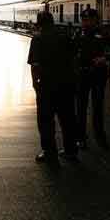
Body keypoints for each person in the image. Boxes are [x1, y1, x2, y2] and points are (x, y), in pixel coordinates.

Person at [28, 11, 78, 164]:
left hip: (46, 85)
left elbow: (35, 64)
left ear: (39, 23)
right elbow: (74, 58)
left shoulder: (37, 39)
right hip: (66, 84)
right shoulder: (65, 36)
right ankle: (70, 150)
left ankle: (49, 152)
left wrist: (35, 83)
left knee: (45, 120)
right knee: (68, 118)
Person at [74, 8, 110, 150]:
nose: (85, 22)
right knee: (80, 108)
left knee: (97, 107)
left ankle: (100, 136)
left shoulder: (104, 33)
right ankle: (81, 138)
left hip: (98, 74)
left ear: (95, 20)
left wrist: (104, 58)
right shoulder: (78, 34)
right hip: (82, 75)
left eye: (88, 19)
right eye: (83, 20)